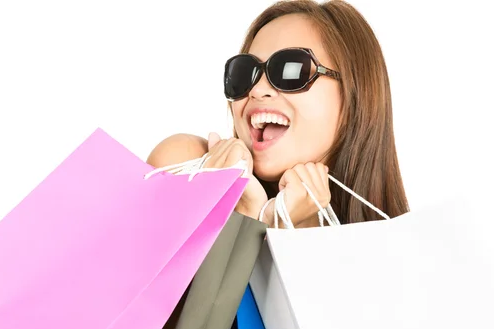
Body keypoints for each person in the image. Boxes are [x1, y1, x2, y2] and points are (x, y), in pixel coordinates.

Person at [147, 0, 409, 228]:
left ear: (355, 96)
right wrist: (245, 215)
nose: (258, 90)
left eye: (291, 69)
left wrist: (285, 227)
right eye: (244, 73)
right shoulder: (184, 167)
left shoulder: (401, 247)